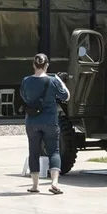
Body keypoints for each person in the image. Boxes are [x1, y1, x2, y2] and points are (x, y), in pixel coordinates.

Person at [22, 53, 71, 194]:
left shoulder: (26, 81)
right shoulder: (53, 81)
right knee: (54, 151)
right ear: (47, 65)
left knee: (34, 152)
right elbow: (66, 96)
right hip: (50, 120)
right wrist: (59, 80)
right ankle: (54, 183)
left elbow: (24, 96)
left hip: (32, 121)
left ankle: (35, 185)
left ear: (33, 65)